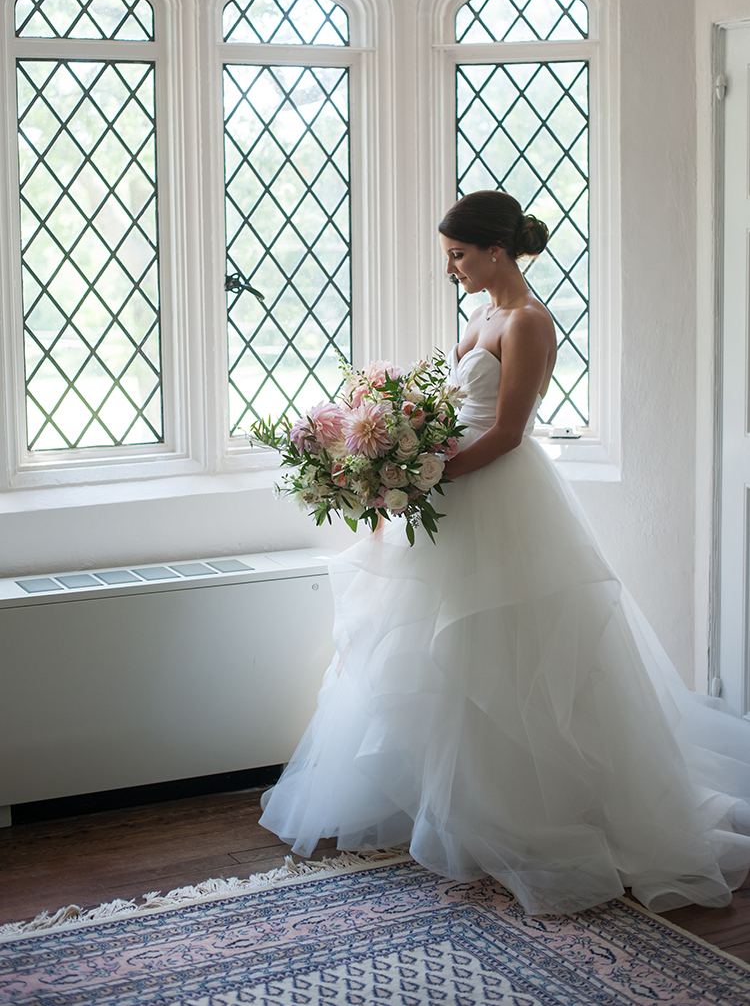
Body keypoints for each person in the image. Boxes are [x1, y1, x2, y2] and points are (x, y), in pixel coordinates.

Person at [260, 190, 750, 916]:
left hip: (501, 495)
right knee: (438, 655)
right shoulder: (479, 315)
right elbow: (448, 412)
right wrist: (403, 459)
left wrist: (425, 477)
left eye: (458, 254)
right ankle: (460, 809)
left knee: (510, 655)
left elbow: (510, 431)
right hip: (448, 499)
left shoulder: (529, 320)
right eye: (448, 256)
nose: (452, 268)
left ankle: (536, 815)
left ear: (495, 249)